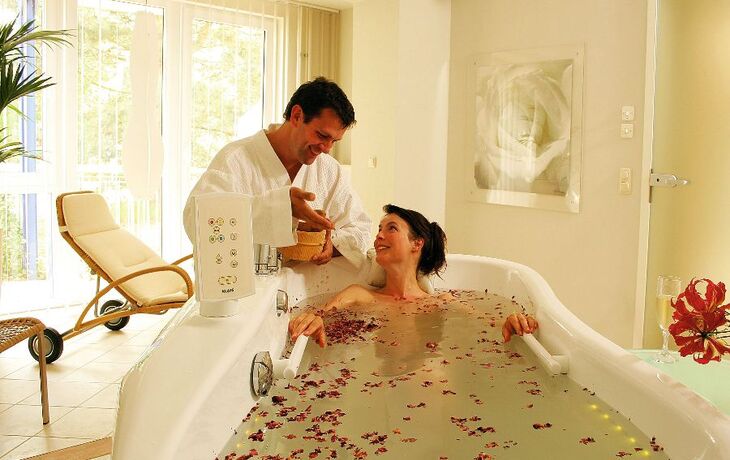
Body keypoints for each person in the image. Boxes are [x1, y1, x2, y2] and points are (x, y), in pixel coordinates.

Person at [289, 204, 538, 347]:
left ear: (417, 243)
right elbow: (318, 316)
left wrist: (513, 322)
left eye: (391, 228)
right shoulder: (359, 295)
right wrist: (312, 320)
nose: (379, 236)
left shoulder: (442, 302)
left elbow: (491, 325)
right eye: (379, 229)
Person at [183, 77, 371, 265]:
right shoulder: (235, 159)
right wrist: (281, 208)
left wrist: (331, 243)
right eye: (322, 135)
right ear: (297, 116)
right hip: (250, 282)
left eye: (334, 141)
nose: (327, 148)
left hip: (309, 283)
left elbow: (361, 228)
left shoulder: (329, 170)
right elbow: (197, 221)